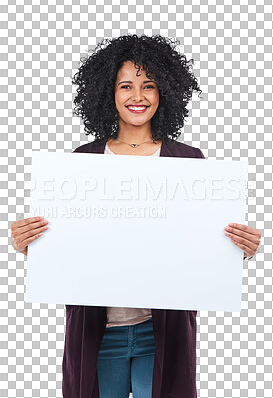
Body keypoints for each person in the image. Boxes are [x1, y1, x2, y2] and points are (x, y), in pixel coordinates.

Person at [10, 34, 261, 398]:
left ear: (165, 93)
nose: (137, 96)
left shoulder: (188, 161)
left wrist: (240, 249)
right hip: (97, 333)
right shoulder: (81, 161)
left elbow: (203, 246)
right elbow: (68, 249)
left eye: (149, 86)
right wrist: (30, 245)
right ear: (108, 93)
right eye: (125, 85)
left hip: (161, 333)